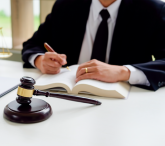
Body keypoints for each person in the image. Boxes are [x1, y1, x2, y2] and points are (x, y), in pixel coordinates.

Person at [22, 0, 165, 91]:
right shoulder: (65, 5)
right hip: (65, 96)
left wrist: (122, 72)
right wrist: (40, 60)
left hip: (124, 104)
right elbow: (32, 44)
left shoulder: (152, 9)